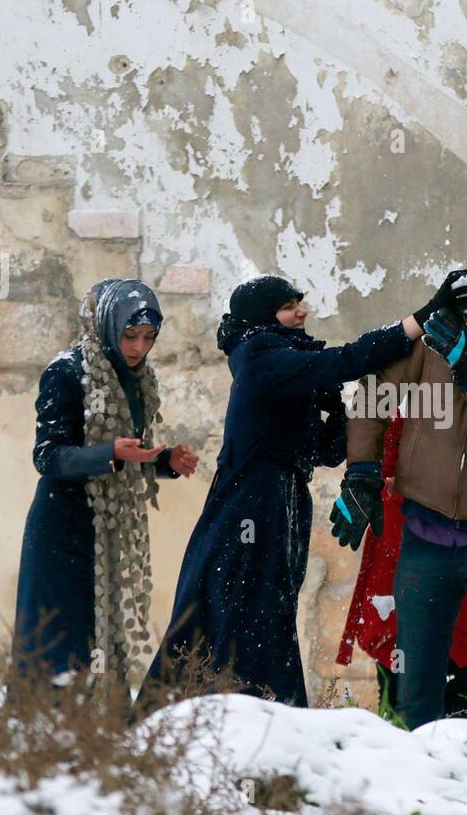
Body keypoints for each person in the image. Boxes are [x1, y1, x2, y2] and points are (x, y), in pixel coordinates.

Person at [134, 275, 443, 718]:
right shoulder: (259, 354)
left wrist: (334, 405)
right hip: (252, 502)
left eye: (299, 302)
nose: (300, 312)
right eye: (287, 307)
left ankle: (262, 715)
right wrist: (418, 321)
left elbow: (324, 450)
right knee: (237, 612)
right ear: (263, 318)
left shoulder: (285, 359)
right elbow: (348, 359)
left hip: (282, 500)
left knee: (268, 613)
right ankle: (221, 716)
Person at [333, 269, 467, 731]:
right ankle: (415, 796)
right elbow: (375, 394)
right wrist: (362, 472)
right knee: (415, 692)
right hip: (424, 534)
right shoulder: (444, 329)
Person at [11, 279, 199, 712]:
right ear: (106, 325)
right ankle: (42, 743)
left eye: (149, 338)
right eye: (130, 335)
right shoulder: (66, 371)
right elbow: (49, 456)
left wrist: (164, 460)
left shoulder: (132, 377)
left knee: (100, 638)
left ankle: (99, 740)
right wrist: (108, 453)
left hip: (106, 529)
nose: (138, 347)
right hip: (62, 527)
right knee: (57, 641)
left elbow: (126, 454)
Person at [335, 413, 467, 721]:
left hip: (461, 527)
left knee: (457, 674)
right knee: (396, 669)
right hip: (402, 530)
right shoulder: (407, 387)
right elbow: (383, 451)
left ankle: (462, 757)